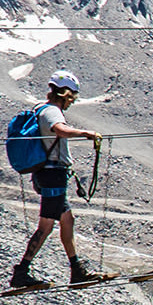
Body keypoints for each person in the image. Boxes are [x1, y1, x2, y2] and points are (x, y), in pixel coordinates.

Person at [12, 71, 104, 289]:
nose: (71, 102)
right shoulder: (52, 111)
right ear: (65, 94)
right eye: (71, 98)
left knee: (67, 219)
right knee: (46, 225)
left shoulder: (39, 109)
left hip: (45, 173)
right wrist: (85, 133)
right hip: (53, 175)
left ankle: (76, 270)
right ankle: (21, 272)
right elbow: (59, 130)